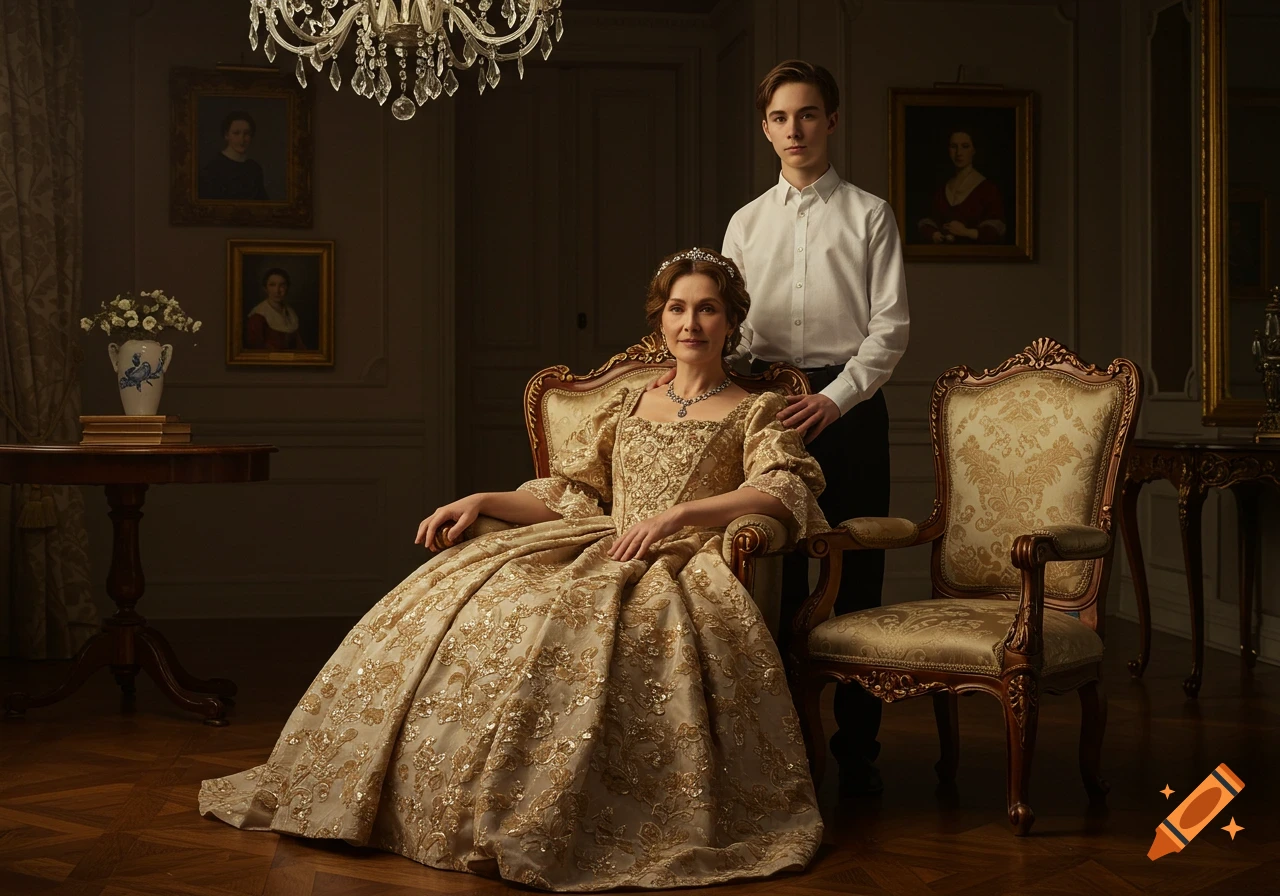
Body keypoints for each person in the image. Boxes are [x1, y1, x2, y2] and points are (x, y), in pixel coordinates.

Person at [199, 247, 828, 891]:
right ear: (659, 320)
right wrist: (483, 500)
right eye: (677, 309)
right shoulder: (631, 403)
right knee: (477, 603)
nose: (690, 323)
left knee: (601, 630)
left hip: (680, 560)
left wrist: (678, 517)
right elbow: (569, 492)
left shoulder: (756, 409)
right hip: (603, 539)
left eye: (707, 309)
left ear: (730, 321)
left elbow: (783, 488)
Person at [720, 60, 910, 797]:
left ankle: (857, 748)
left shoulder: (870, 214)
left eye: (807, 114)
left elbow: (889, 331)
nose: (793, 129)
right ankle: (776, 744)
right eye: (779, 118)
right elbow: (732, 328)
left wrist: (836, 398)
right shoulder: (745, 222)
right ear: (764, 128)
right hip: (767, 411)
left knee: (856, 569)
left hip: (850, 412)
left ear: (832, 120)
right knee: (771, 574)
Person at [917, 128, 1006, 244]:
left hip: (976, 259)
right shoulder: (942, 189)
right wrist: (934, 234)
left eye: (965, 146)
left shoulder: (987, 189)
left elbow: (998, 229)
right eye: (954, 146)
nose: (958, 153)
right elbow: (927, 221)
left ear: (974, 150)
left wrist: (966, 232)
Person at [199, 109, 269, 201]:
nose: (242, 139)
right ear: (226, 135)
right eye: (236, 133)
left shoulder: (255, 168)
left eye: (246, 134)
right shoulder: (213, 168)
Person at [244, 267, 307, 351]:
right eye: (272, 285)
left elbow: (300, 347)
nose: (277, 291)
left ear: (287, 288)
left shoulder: (290, 313)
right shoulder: (257, 317)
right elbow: (256, 352)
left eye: (282, 285)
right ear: (265, 288)